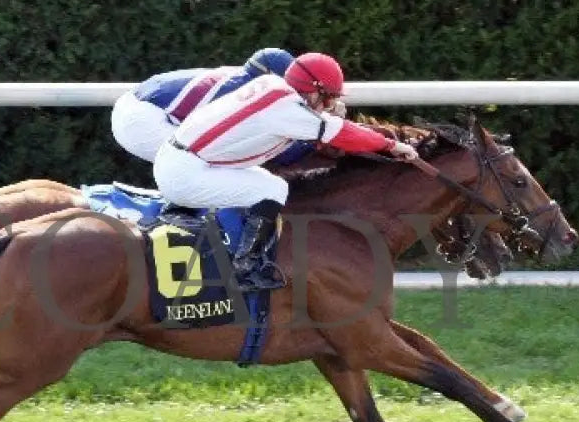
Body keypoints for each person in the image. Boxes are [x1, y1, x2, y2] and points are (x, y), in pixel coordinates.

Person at [152, 52, 420, 291]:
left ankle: (184, 211)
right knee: (274, 189)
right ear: (311, 90)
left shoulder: (271, 84)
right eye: (326, 98)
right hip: (185, 174)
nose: (328, 105)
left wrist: (326, 113)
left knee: (265, 179)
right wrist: (391, 145)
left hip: (179, 159)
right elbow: (341, 134)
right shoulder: (286, 111)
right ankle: (246, 267)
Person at [110, 48, 295, 162]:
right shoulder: (245, 91)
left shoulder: (241, 75)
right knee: (208, 161)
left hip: (136, 105)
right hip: (142, 118)